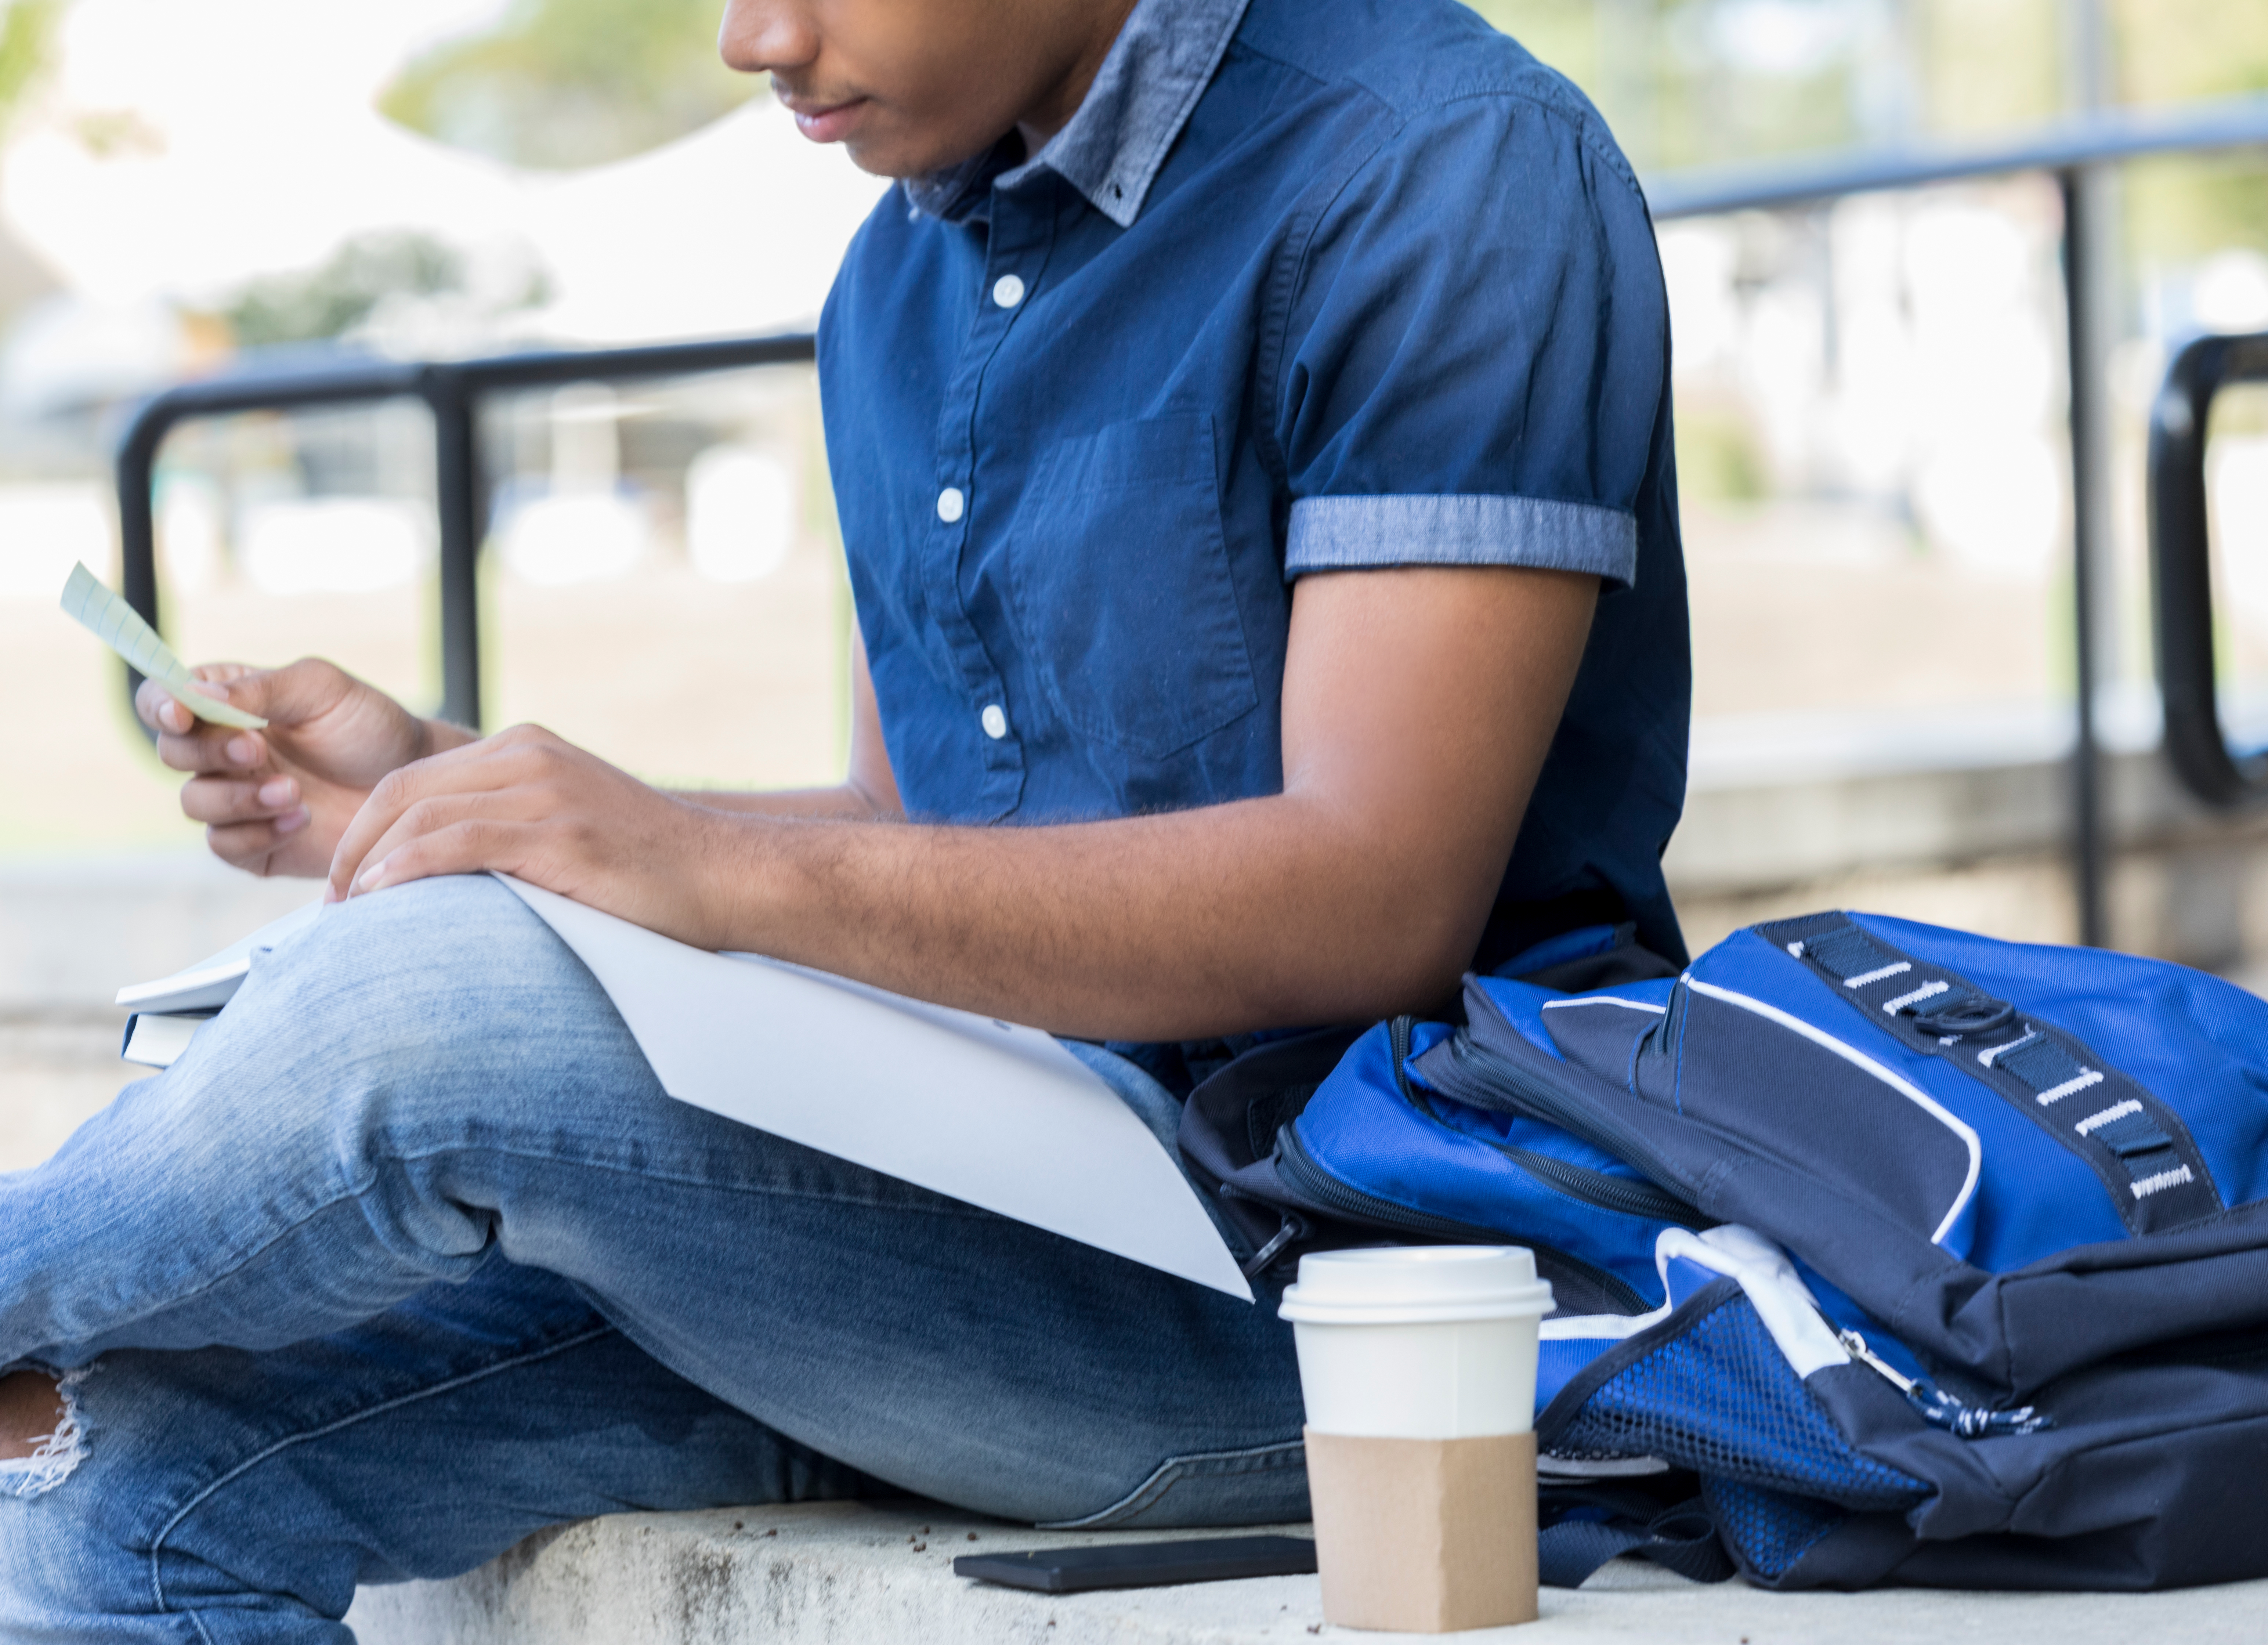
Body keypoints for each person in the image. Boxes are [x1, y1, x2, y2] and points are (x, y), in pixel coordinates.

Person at [0, 0, 1689, 1631]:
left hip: (1362, 1304)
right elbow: (907, 825)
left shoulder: (1446, 165)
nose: (755, 39)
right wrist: (449, 788)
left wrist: (692, 865)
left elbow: (1374, 898)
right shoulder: (899, 275)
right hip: (956, 1226)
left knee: (420, 1008)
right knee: (121, 1479)